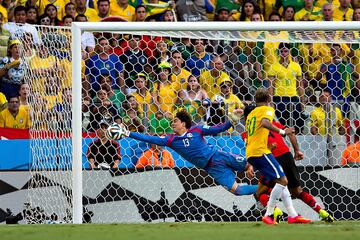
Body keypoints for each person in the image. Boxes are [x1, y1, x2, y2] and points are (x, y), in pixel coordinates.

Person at [118, 108, 258, 196]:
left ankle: (275, 180)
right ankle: (266, 189)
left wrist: (232, 120)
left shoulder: (197, 129)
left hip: (218, 155)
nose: (172, 123)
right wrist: (128, 133)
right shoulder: (171, 140)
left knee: (253, 164)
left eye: (175, 121)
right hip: (212, 168)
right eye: (172, 121)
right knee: (237, 191)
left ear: (183, 123)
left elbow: (218, 129)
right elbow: (148, 138)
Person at [242, 104, 334, 223]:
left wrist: (250, 166)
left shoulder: (248, 131)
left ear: (246, 118)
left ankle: (274, 211)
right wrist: (297, 150)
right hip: (287, 156)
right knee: (297, 192)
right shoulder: (274, 124)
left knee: (261, 192)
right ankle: (321, 211)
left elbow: (254, 149)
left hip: (272, 158)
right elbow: (290, 132)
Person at [245, 88, 311, 224]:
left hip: (252, 153)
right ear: (269, 100)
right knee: (283, 181)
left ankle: (292, 215)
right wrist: (282, 132)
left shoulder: (251, 115)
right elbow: (265, 123)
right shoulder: (267, 110)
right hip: (261, 151)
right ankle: (269, 214)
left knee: (282, 182)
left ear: (255, 101)